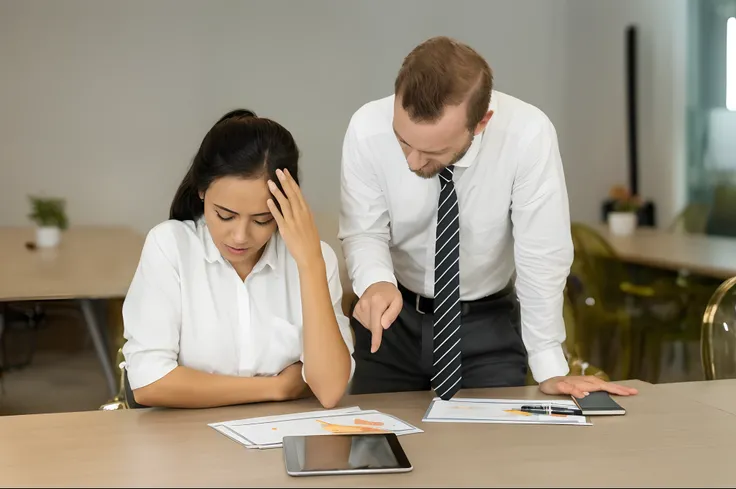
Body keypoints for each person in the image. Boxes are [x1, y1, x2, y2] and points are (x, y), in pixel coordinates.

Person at [338, 36, 637, 400]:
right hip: (392, 321)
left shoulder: (528, 135)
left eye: (433, 151)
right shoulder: (367, 128)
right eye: (403, 142)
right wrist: (375, 281)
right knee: (376, 445)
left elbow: (541, 256)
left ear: (481, 122)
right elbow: (363, 230)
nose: (412, 162)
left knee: (491, 451)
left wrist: (549, 364)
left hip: (487, 325)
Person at [122, 109, 354, 409]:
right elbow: (150, 383)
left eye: (261, 220)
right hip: (186, 441)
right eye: (225, 216)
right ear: (202, 191)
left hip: (280, 439)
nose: (241, 236)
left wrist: (310, 264)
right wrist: (277, 387)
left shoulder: (315, 259)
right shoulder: (171, 246)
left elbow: (330, 389)